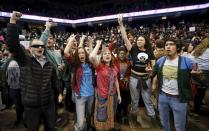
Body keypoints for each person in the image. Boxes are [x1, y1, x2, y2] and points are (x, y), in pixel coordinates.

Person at [6, 11, 61, 131]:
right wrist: (13, 21)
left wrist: (59, 93)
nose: (40, 47)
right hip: (31, 107)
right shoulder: (25, 60)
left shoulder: (49, 64)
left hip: (48, 104)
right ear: (30, 49)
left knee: (51, 127)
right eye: (36, 46)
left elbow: (55, 82)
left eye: (42, 46)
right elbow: (12, 44)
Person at [149, 37, 201, 131]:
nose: (168, 47)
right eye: (166, 45)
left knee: (179, 127)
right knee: (164, 123)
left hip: (179, 98)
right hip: (163, 96)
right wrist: (149, 73)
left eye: (171, 44)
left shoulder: (187, 61)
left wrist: (197, 75)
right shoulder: (161, 61)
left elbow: (198, 77)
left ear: (177, 47)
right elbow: (152, 73)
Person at [118, 14, 156, 125]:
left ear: (145, 42)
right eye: (138, 40)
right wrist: (121, 25)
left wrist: (151, 72)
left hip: (146, 78)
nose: (139, 41)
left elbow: (154, 67)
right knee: (134, 100)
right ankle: (134, 117)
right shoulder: (133, 49)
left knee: (147, 99)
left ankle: (153, 117)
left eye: (141, 40)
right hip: (134, 78)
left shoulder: (150, 52)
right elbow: (125, 38)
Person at [64, 35, 95, 131]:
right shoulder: (75, 65)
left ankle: (89, 126)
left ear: (85, 54)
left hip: (91, 95)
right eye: (79, 53)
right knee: (81, 124)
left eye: (83, 53)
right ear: (77, 55)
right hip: (80, 96)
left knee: (89, 114)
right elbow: (66, 52)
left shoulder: (91, 64)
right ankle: (78, 127)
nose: (81, 54)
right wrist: (72, 40)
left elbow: (93, 56)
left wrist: (90, 44)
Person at [89, 40, 121, 130]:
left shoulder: (114, 67)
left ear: (111, 56)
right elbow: (91, 56)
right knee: (101, 115)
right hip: (102, 96)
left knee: (111, 113)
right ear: (102, 57)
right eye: (105, 54)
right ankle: (100, 128)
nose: (107, 55)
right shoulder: (99, 67)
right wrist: (98, 44)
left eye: (109, 54)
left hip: (112, 95)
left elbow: (116, 81)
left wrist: (119, 95)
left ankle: (108, 128)